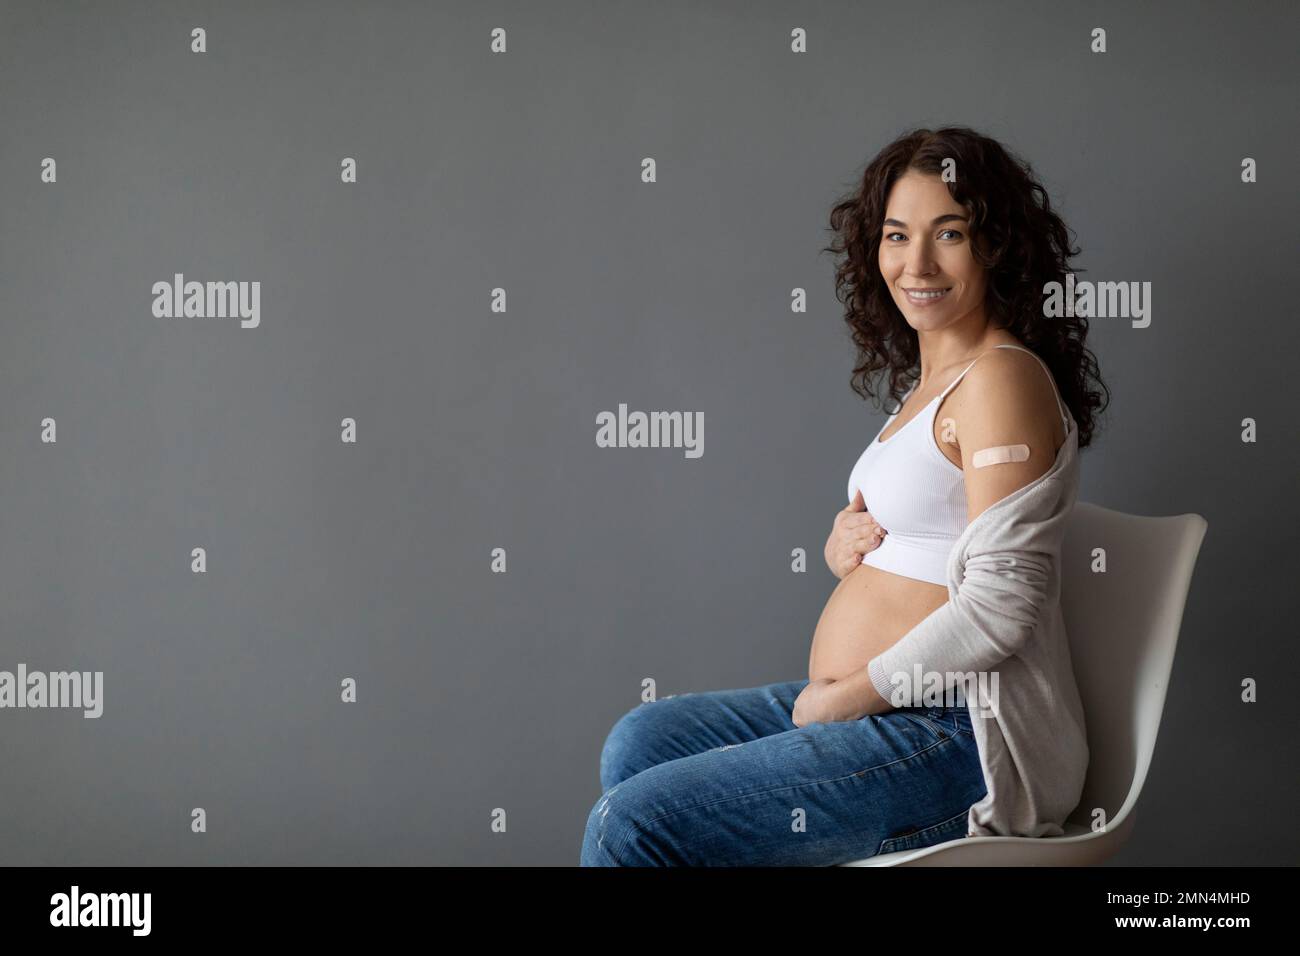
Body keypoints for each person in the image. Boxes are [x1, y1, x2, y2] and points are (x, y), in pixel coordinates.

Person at [580, 125, 1109, 866]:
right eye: (897, 236)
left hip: (959, 735)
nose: (916, 262)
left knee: (628, 828)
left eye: (948, 233)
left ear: (997, 247)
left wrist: (840, 698)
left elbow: (1004, 603)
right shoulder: (927, 386)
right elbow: (938, 542)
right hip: (887, 706)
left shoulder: (1001, 379)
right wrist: (852, 552)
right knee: (640, 741)